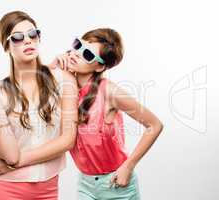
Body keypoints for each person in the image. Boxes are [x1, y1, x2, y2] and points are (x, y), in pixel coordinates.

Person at [48, 28, 164, 199]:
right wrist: (52, 67)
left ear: (100, 66)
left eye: (87, 54)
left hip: (116, 184)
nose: (76, 54)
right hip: (85, 185)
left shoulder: (108, 91)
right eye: (78, 45)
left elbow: (154, 125)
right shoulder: (65, 87)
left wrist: (128, 166)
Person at [0, 10, 78, 200]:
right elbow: (10, 156)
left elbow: (68, 140)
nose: (28, 41)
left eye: (33, 34)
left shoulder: (64, 80)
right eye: (18, 37)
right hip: (7, 189)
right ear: (6, 46)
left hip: (49, 190)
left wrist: (19, 162)